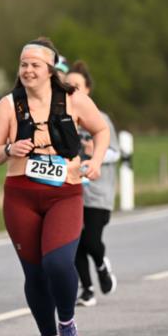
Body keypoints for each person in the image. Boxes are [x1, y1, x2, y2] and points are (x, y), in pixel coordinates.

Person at [0, 38, 108, 336]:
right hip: (21, 196)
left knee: (58, 263)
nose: (27, 70)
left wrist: (95, 162)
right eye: (23, 64)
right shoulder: (9, 105)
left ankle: (67, 324)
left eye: (35, 64)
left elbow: (101, 130)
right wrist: (10, 150)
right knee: (35, 274)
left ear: (51, 70)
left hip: (64, 192)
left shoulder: (72, 100)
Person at [66, 62, 120, 308]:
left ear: (87, 89)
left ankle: (100, 264)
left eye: (76, 86)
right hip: (72, 190)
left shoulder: (101, 119)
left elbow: (115, 153)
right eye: (67, 85)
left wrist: (95, 152)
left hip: (98, 192)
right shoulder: (63, 119)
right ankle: (86, 289)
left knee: (91, 240)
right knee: (74, 241)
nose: (71, 89)